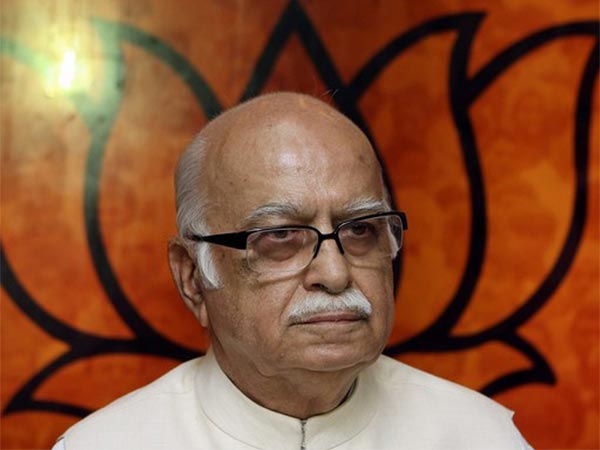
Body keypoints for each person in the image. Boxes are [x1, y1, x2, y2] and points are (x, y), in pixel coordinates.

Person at [53, 92, 531, 449]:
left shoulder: (479, 436)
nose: (335, 274)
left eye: (360, 230)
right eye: (280, 237)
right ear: (192, 278)